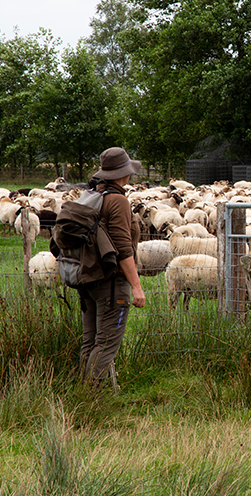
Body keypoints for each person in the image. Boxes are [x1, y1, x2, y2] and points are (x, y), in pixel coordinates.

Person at [80, 146, 146, 386]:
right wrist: (136, 286)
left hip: (88, 278)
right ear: (123, 173)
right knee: (106, 344)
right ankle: (91, 396)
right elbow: (123, 247)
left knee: (91, 342)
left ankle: (82, 393)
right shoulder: (117, 200)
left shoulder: (92, 196)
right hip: (111, 283)